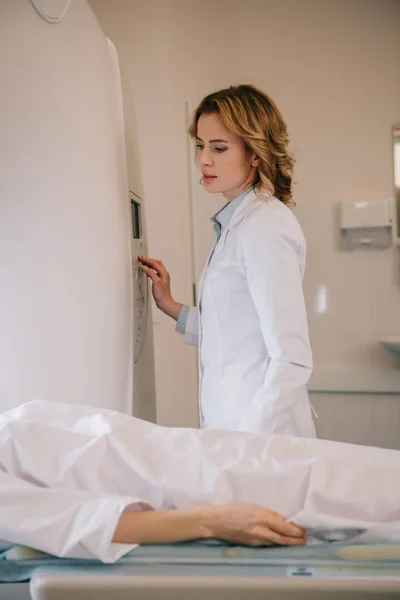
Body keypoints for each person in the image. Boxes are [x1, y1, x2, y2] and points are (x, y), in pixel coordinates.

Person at [1, 400, 399, 564]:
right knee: (369, 493)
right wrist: (216, 521)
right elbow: (88, 525)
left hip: (217, 454)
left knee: (364, 469)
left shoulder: (11, 418)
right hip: (212, 491)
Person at [140, 84, 315, 437]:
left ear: (255, 153)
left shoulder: (265, 227)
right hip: (234, 431)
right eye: (200, 146)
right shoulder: (238, 223)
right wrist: (171, 305)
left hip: (261, 439)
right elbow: (234, 329)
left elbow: (292, 359)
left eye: (219, 148)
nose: (204, 159)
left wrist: (247, 443)